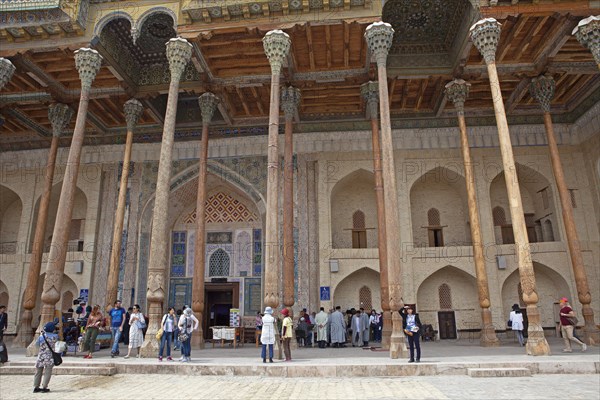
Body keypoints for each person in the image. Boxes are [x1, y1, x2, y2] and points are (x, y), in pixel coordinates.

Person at [33, 321, 58, 393]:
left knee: (38, 371)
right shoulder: (55, 336)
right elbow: (56, 341)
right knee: (47, 371)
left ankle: (36, 386)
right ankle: (44, 387)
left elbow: (37, 344)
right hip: (49, 356)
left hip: (41, 355)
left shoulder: (41, 336)